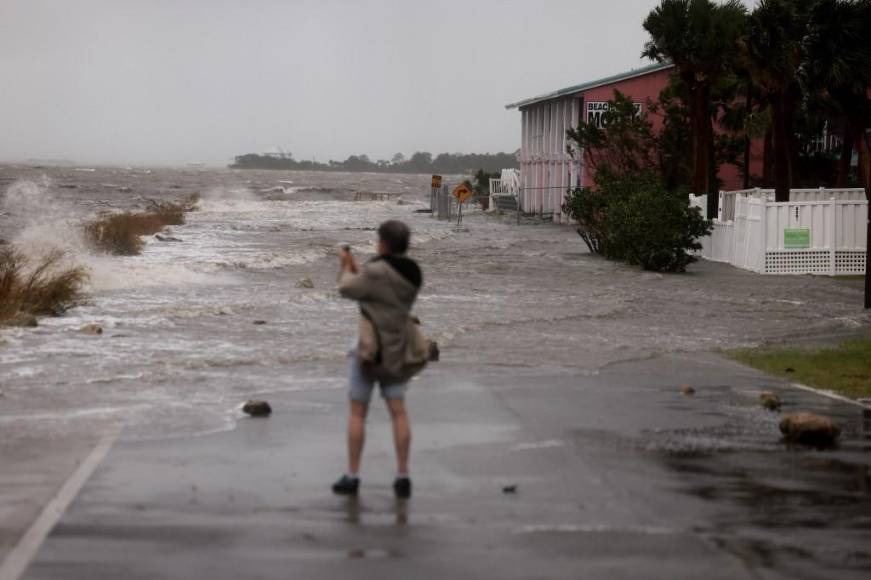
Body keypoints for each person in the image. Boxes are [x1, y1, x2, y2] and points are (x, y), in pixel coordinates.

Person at [332, 220, 427, 499]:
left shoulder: (376, 271)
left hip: (369, 349)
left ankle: (352, 475)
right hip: (397, 348)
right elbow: (382, 288)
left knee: (358, 412)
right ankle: (402, 475)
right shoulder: (413, 273)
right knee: (398, 412)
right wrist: (363, 271)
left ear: (383, 242)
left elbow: (348, 289)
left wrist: (347, 267)